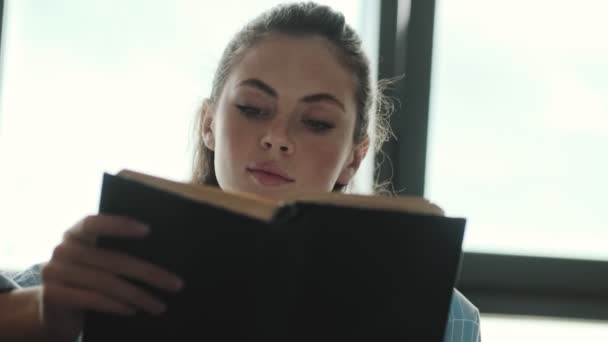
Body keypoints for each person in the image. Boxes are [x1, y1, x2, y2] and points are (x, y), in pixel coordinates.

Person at [0, 2, 481, 341]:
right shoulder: (92, 276)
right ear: (210, 125)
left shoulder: (444, 318)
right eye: (253, 108)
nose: (277, 136)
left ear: (353, 158)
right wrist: (44, 315)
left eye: (315, 122)